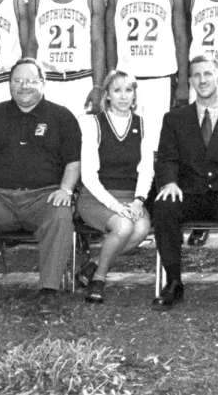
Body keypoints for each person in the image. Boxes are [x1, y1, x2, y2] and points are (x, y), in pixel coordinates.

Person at [0, 59, 82, 312]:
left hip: (44, 197)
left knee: (60, 216)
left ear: (43, 84)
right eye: (17, 81)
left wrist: (66, 190)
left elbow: (73, 162)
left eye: (31, 80)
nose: (24, 86)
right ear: (9, 84)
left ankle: (49, 290)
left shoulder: (62, 117)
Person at [150, 55, 218, 310]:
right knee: (164, 206)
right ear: (191, 80)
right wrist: (169, 183)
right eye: (197, 75)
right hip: (188, 192)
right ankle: (173, 280)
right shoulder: (175, 119)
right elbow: (167, 158)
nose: (203, 80)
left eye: (208, 74)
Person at [72, 71, 156, 304]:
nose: (123, 96)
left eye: (128, 90)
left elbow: (146, 168)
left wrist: (139, 200)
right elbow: (88, 175)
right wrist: (115, 206)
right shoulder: (92, 124)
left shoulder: (143, 124)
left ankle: (93, 265)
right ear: (107, 95)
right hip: (97, 197)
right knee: (123, 226)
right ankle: (99, 278)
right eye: (117, 90)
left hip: (131, 197)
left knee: (140, 230)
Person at [106, 0, 187, 155]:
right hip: (126, 78)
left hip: (159, 79)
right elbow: (110, 37)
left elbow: (181, 38)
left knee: (156, 141)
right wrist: (111, 74)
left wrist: (183, 82)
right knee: (123, 138)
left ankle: (153, 188)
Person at [30, 0, 106, 118]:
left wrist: (97, 86)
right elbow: (31, 45)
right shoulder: (37, 0)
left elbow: (97, 45)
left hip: (81, 80)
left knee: (84, 141)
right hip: (48, 81)